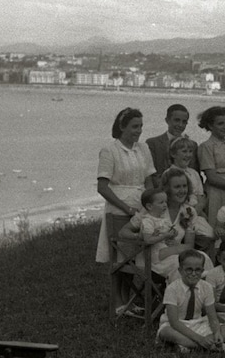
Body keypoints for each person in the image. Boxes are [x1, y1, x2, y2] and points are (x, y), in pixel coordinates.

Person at [95, 107, 156, 312]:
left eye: (140, 126)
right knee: (120, 258)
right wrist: (126, 208)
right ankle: (117, 302)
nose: (138, 131)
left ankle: (127, 301)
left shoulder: (143, 149)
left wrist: (151, 205)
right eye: (134, 126)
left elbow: (149, 180)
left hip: (141, 207)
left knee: (134, 256)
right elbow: (102, 187)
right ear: (122, 127)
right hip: (119, 209)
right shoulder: (109, 151)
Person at [119, 168, 213, 283]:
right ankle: (181, 298)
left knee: (204, 258)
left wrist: (174, 249)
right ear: (167, 189)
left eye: (184, 186)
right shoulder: (154, 208)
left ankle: (206, 296)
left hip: (177, 254)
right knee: (183, 266)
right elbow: (123, 231)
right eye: (177, 187)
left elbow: (189, 245)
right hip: (152, 260)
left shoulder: (189, 211)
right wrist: (139, 236)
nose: (182, 190)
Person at [157, 250, 225, 354]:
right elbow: (174, 322)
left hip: (198, 323)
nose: (193, 274)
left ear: (202, 270)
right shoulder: (172, 289)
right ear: (180, 270)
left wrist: (217, 332)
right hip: (178, 326)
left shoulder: (206, 287)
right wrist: (200, 339)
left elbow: (212, 317)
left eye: (198, 270)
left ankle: (186, 346)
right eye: (189, 270)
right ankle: (212, 347)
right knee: (166, 332)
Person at [197, 106, 225, 230]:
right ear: (211, 126)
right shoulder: (206, 146)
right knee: (217, 226)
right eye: (220, 123)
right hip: (216, 192)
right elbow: (211, 176)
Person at [146, 104, 198, 188]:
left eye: (184, 122)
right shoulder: (153, 143)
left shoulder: (192, 145)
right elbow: (151, 175)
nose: (180, 125)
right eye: (177, 120)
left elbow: (195, 172)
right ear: (167, 120)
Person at [164, 136, 206, 215]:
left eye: (190, 151)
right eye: (184, 151)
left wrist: (197, 211)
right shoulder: (168, 173)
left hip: (197, 211)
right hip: (179, 213)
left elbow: (200, 197)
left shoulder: (194, 173)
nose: (188, 155)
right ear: (173, 154)